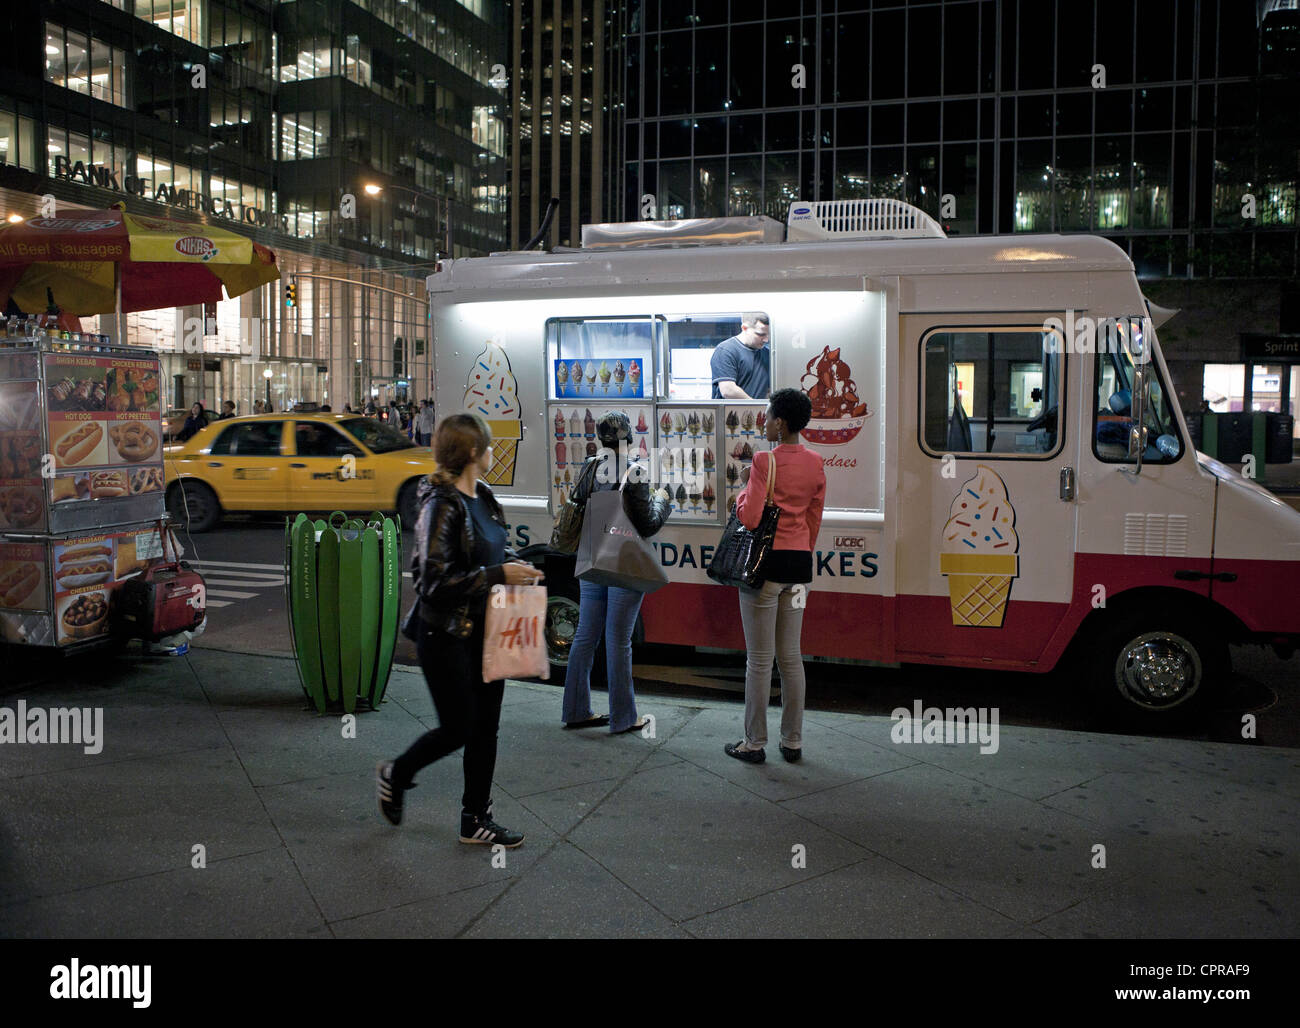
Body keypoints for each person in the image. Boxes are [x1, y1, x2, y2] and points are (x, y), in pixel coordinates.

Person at [378, 413, 543, 846]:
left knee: (486, 728)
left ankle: (476, 819)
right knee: (460, 727)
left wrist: (516, 566)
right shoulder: (440, 504)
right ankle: (398, 773)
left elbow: (492, 547)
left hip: (488, 631)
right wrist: (497, 574)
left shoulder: (483, 495)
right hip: (446, 633)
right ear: (473, 452)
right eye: (489, 445)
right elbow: (433, 582)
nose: (493, 452)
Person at [724, 388, 825, 765]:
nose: (764, 422)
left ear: (780, 423)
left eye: (767, 416)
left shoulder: (766, 460)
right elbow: (814, 517)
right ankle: (793, 741)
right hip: (799, 569)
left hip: (766, 569)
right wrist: (803, 547)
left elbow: (750, 519)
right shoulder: (816, 463)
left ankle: (754, 742)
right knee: (792, 658)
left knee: (760, 660)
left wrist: (739, 498)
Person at [561, 411, 671, 733]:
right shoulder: (634, 472)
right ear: (628, 439)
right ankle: (623, 717)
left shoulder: (590, 466)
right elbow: (648, 524)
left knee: (585, 635)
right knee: (619, 640)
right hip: (622, 563)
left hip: (594, 558)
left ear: (600, 438)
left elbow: (580, 505)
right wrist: (663, 500)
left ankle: (576, 709)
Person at [711, 313, 771, 399]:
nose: (766, 339)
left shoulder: (767, 354)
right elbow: (728, 390)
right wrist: (755, 406)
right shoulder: (726, 350)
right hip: (730, 412)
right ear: (744, 328)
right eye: (761, 334)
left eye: (768, 334)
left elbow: (768, 390)